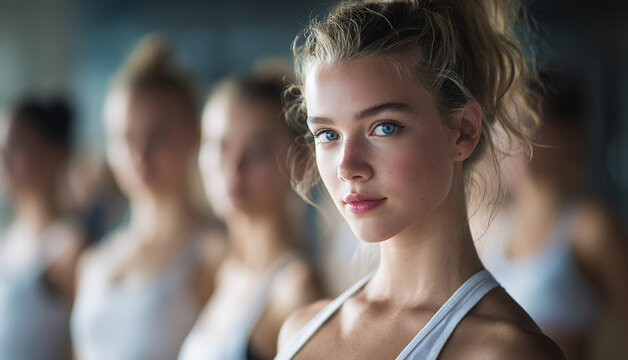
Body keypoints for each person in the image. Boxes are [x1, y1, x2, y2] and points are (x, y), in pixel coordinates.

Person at [274, 0, 566, 359]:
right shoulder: (300, 330)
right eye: (328, 134)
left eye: (384, 127)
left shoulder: (504, 351)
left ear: (463, 132)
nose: (348, 167)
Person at [477, 69, 628, 360]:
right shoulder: (493, 225)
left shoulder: (591, 226)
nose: (514, 138)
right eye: (507, 124)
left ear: (569, 132)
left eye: (529, 122)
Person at [70, 35, 223, 360]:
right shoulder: (95, 260)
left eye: (157, 136)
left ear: (194, 136)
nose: (139, 155)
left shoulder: (215, 253)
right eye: (125, 139)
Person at [178, 61, 321, 360]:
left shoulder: (295, 288)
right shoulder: (223, 271)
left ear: (301, 160)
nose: (233, 169)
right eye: (219, 147)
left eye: (256, 151)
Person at [0, 96, 86, 360]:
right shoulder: (7, 238)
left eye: (16, 146)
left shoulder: (72, 246)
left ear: (54, 153)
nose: (3, 159)